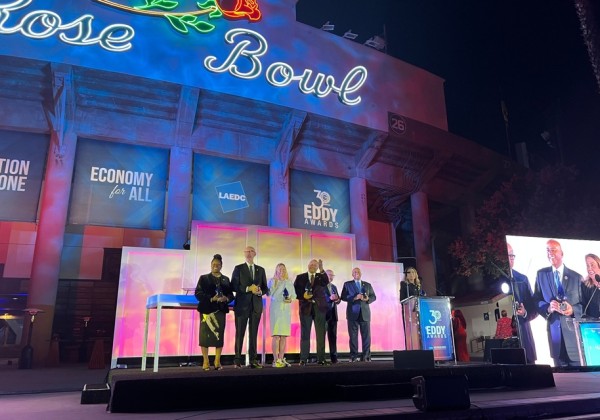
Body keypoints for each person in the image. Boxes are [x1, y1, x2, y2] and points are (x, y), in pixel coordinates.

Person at [533, 239, 583, 367]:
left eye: (553, 250)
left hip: (574, 340)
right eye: (547, 250)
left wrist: (572, 310)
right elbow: (536, 300)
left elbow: (584, 305)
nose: (550, 253)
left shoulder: (576, 277)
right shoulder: (541, 275)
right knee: (562, 384)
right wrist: (548, 308)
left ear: (562, 253)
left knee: (579, 383)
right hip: (555, 340)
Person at [195, 254, 234, 371]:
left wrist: (226, 299)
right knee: (204, 337)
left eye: (218, 264)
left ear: (221, 266)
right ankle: (205, 361)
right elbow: (198, 293)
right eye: (213, 264)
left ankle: (217, 361)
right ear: (211, 265)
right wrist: (212, 298)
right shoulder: (204, 278)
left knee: (219, 336)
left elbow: (231, 295)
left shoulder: (226, 280)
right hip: (206, 311)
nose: (215, 266)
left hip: (220, 311)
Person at [231, 246, 268, 368]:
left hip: (256, 306)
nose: (248, 253)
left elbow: (265, 288)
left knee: (253, 334)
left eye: (251, 251)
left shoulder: (260, 270)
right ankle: (237, 359)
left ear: (255, 254)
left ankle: (253, 359)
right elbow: (234, 286)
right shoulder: (238, 268)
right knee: (240, 332)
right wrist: (248, 288)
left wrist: (258, 291)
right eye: (246, 251)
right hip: (242, 306)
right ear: (243, 253)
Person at [293, 259, 330, 365]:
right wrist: (302, 296)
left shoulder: (320, 276)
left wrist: (322, 269)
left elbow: (326, 281)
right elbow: (296, 291)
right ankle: (303, 359)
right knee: (305, 334)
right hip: (305, 308)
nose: (313, 266)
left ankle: (321, 359)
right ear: (308, 265)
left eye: (315, 265)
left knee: (320, 334)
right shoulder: (300, 277)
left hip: (319, 308)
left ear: (318, 267)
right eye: (311, 264)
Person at [507, 243, 538, 364]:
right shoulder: (493, 281)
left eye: (512, 255)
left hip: (524, 340)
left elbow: (534, 308)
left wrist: (525, 313)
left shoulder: (522, 279)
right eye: (507, 255)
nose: (510, 258)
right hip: (505, 345)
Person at [341, 267, 376, 362]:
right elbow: (343, 297)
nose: (357, 273)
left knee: (366, 336)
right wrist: (355, 297)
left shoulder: (367, 285)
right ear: (352, 274)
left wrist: (367, 299)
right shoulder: (347, 284)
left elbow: (374, 296)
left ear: (361, 273)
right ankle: (353, 356)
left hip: (365, 313)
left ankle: (366, 356)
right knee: (353, 336)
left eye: (358, 271)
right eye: (355, 272)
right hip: (352, 313)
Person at [268, 263, 296, 368]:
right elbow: (269, 294)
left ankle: (281, 358)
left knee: (283, 336)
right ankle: (275, 360)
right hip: (275, 310)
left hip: (285, 311)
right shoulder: (272, 281)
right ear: (276, 271)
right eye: (279, 269)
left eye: (283, 269)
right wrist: (276, 285)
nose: (282, 271)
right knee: (276, 335)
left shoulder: (289, 282)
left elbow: (294, 295)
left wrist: (290, 299)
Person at [325, 269, 341, 364]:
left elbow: (337, 299)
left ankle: (334, 358)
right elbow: (319, 299)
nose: (330, 277)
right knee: (321, 337)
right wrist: (329, 298)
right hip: (324, 315)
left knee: (333, 337)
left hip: (333, 315)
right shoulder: (321, 286)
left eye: (332, 275)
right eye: (329, 275)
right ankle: (321, 358)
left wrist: (337, 300)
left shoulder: (334, 287)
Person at [581, 253, 600, 319]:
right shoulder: (584, 286)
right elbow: (582, 309)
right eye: (587, 266)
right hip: (592, 327)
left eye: (592, 265)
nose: (589, 268)